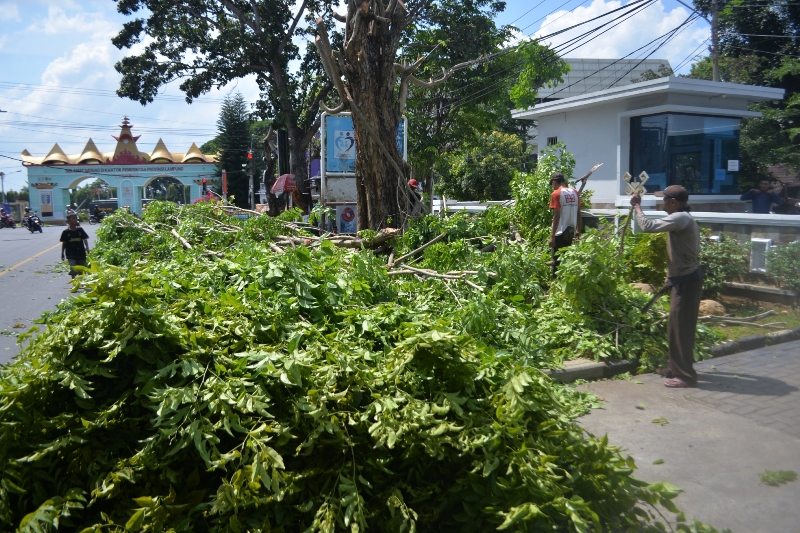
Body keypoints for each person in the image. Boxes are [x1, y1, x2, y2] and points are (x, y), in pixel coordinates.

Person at [631, 185, 702, 388]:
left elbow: (647, 227)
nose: (662, 203)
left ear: (674, 202)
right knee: (675, 327)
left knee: (681, 329)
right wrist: (669, 276)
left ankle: (685, 376)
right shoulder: (681, 218)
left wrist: (637, 206)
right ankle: (674, 368)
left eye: (664, 200)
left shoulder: (680, 218)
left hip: (687, 281)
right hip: (682, 279)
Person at [548, 172, 581, 277]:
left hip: (560, 232)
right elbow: (579, 213)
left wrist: (552, 236)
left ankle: (556, 286)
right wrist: (578, 231)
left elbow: (557, 216)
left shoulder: (556, 194)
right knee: (567, 259)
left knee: (557, 262)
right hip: (570, 230)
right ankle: (565, 282)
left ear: (554, 182)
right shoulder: (575, 192)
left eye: (552, 183)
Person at [60, 213, 90, 279]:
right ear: (68, 220)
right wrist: (62, 253)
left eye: (76, 218)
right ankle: (74, 282)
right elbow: (64, 243)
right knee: (73, 268)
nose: (75, 220)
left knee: (82, 268)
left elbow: (85, 239)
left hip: (81, 252)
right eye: (73, 218)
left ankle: (81, 282)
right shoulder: (65, 232)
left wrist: (87, 248)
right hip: (70, 253)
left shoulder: (80, 230)